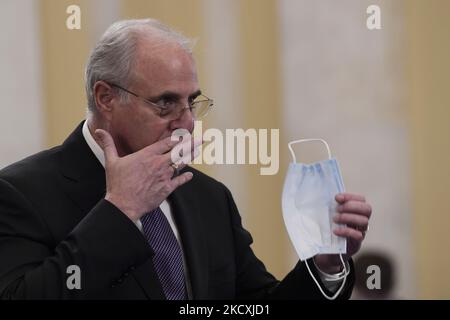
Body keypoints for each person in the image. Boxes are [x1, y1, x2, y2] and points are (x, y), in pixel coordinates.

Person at [0, 19, 372, 299]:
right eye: (166, 103)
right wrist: (119, 210)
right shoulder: (21, 193)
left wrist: (325, 264)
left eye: (191, 102)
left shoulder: (207, 197)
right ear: (106, 98)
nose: (187, 122)